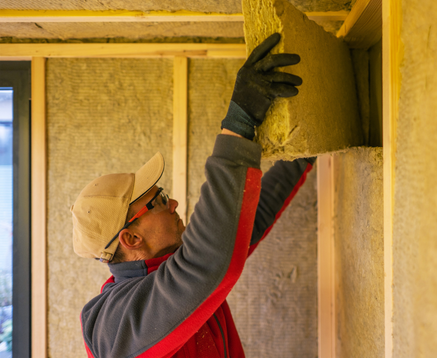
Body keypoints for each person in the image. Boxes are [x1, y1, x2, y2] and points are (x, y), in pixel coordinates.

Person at [71, 33, 315, 358]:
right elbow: (205, 261)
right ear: (130, 238)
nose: (172, 203)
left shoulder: (177, 268)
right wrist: (239, 122)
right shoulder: (114, 325)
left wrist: (305, 152)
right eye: (158, 202)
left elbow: (239, 222)